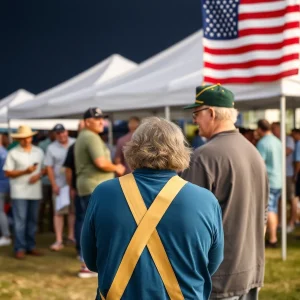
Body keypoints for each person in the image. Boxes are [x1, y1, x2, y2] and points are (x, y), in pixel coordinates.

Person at [81, 117, 224, 300]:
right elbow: (211, 264)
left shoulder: (103, 193)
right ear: (180, 150)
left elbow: (92, 261)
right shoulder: (205, 200)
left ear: (133, 148)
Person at [181, 84, 268, 300]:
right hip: (249, 272)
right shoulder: (254, 152)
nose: (194, 120)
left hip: (217, 278)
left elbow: (189, 225)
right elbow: (264, 217)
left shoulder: (203, 157)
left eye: (196, 113)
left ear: (210, 113)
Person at [75, 107, 125, 278]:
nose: (101, 122)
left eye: (102, 119)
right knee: (97, 226)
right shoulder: (91, 137)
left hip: (89, 185)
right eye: (97, 119)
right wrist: (117, 167)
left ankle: (87, 262)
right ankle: (88, 264)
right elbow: (101, 163)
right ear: (87, 122)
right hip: (95, 186)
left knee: (88, 225)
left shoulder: (84, 136)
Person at [3, 125, 45, 259]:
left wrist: (38, 175)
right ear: (19, 139)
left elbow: (44, 169)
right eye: (23, 138)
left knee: (32, 220)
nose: (26, 140)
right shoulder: (13, 153)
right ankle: (20, 247)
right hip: (19, 191)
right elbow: (8, 172)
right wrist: (25, 172)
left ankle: (30, 246)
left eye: (28, 137)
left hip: (35, 191)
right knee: (20, 220)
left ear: (31, 137)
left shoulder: (39, 152)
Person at [44, 124, 76, 251]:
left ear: (66, 132)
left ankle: (71, 236)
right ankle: (58, 240)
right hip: (60, 184)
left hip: (73, 184)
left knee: (72, 211)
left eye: (63, 132)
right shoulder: (51, 148)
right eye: (58, 133)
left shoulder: (75, 143)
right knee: (58, 213)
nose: (61, 135)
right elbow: (49, 168)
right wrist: (54, 185)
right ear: (55, 135)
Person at [257, 119, 282, 247]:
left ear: (260, 129)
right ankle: (273, 236)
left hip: (270, 180)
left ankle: (272, 239)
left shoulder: (263, 143)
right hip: (278, 179)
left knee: (270, 210)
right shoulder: (278, 141)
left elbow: (259, 164)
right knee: (274, 209)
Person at [63, 120, 85, 258]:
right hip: (79, 188)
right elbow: (68, 169)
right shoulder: (74, 146)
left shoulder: (75, 145)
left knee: (82, 219)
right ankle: (81, 251)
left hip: (84, 188)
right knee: (81, 219)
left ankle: (84, 251)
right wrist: (71, 186)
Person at [271, 122, 297, 233]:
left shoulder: (288, 139)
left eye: (275, 129)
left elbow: (287, 152)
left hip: (289, 174)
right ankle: (281, 222)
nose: (273, 131)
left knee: (292, 199)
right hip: (280, 175)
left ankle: (292, 222)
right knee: (280, 200)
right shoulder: (274, 140)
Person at [38, 130, 56, 233]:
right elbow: (41, 162)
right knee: (43, 204)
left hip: (55, 180)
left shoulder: (58, 144)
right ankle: (39, 226)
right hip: (45, 179)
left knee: (53, 205)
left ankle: (52, 227)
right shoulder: (43, 144)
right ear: (50, 134)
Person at [0, 134, 11, 247]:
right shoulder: (5, 152)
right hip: (7, 185)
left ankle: (6, 235)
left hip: (1, 186)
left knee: (1, 212)